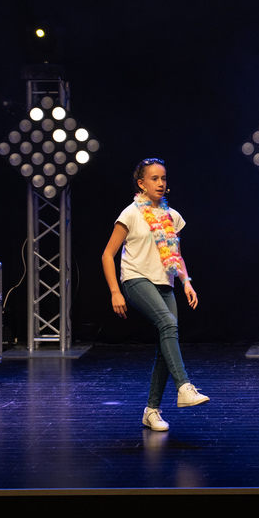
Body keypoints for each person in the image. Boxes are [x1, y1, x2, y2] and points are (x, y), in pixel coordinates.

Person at [102, 158, 208, 432]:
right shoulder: (130, 214)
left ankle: (151, 411)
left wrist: (186, 282)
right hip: (136, 279)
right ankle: (184, 386)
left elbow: (177, 256)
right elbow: (108, 254)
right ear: (141, 184)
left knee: (165, 345)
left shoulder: (172, 216)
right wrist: (115, 292)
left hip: (165, 283)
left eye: (163, 178)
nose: (161, 183)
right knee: (168, 324)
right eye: (154, 179)